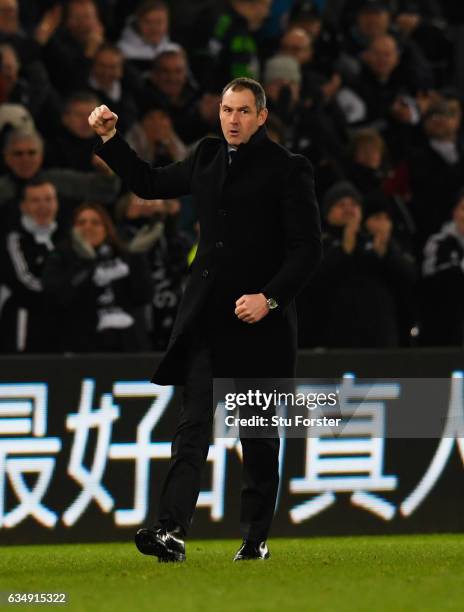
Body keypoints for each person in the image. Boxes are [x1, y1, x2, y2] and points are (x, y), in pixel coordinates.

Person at [88, 77, 321, 562]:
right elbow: (150, 183)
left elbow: (307, 250)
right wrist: (111, 140)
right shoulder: (207, 156)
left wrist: (270, 299)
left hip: (261, 326)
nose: (232, 120)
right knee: (192, 427)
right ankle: (171, 531)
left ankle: (255, 540)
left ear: (262, 116)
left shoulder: (288, 169)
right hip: (207, 321)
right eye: (226, 110)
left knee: (256, 437)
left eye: (242, 112)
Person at [42, 202, 152, 353]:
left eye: (95, 222)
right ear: (72, 229)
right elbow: (58, 296)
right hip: (81, 349)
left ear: (106, 229)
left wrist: (137, 257)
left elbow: (144, 295)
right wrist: (87, 265)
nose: (88, 227)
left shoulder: (124, 254)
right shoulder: (60, 256)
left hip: (128, 346)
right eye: (81, 223)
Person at [0, 177, 62, 353]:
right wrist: (65, 289)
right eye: (35, 200)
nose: (43, 206)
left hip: (61, 328)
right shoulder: (13, 240)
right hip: (23, 329)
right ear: (23, 206)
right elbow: (24, 283)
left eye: (48, 199)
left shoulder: (66, 237)